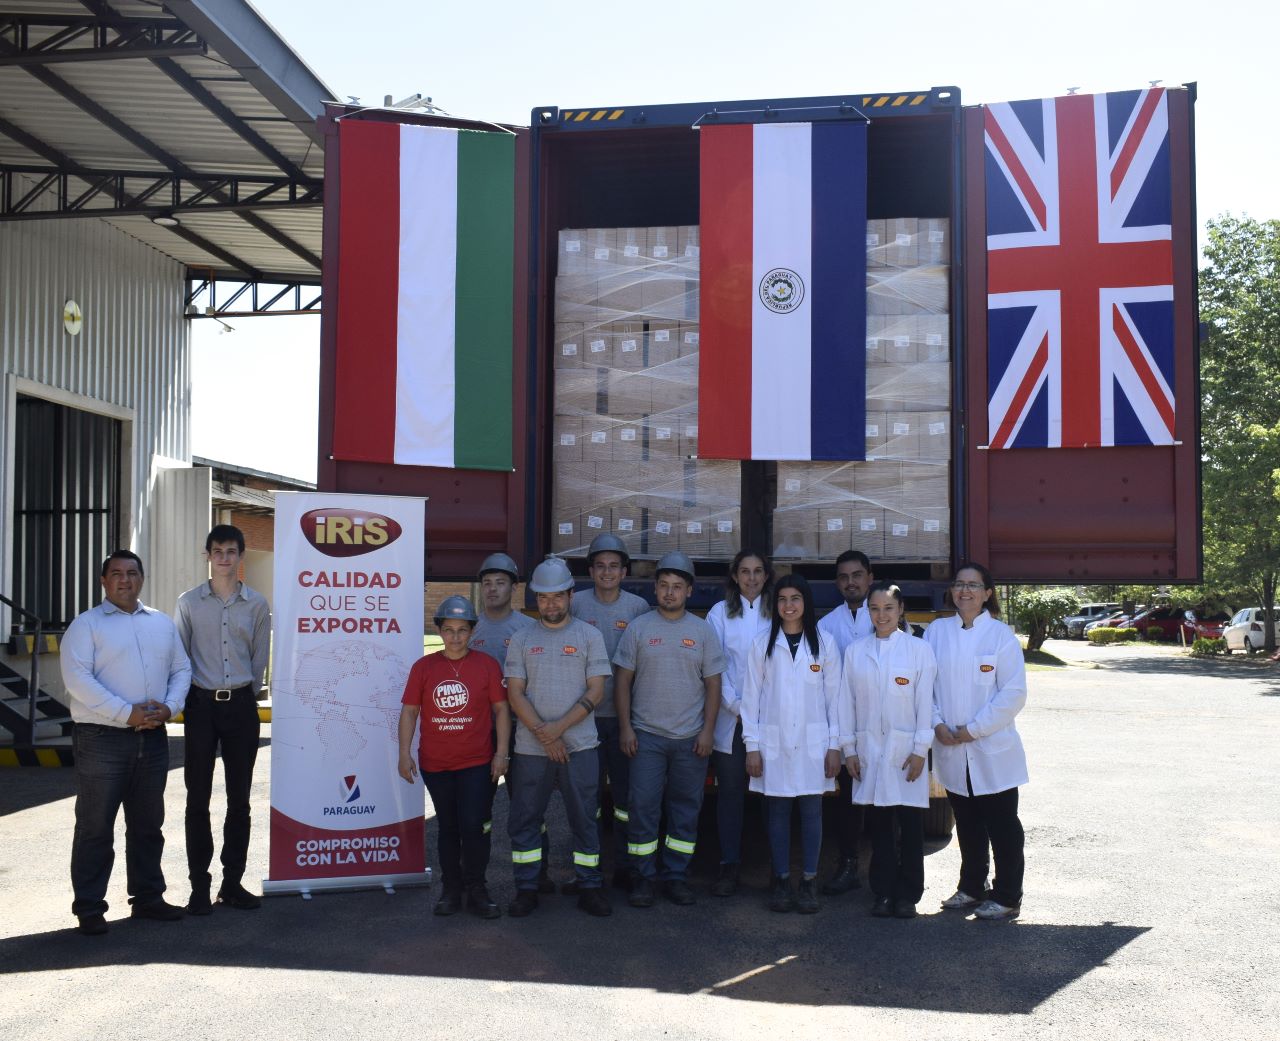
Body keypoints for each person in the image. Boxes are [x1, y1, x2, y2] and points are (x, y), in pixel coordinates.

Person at [60, 550, 192, 935]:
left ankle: (148, 898)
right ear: (104, 581)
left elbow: (181, 669)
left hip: (152, 739)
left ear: (141, 579)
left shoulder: (161, 624)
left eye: (132, 573)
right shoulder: (86, 625)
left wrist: (170, 707)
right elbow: (78, 680)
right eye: (116, 573)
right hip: (102, 740)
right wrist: (126, 713)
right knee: (95, 826)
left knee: (148, 824)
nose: (125, 580)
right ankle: (89, 907)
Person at [503, 557, 613, 918]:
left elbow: (596, 690)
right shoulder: (521, 639)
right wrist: (547, 737)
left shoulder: (589, 636)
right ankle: (528, 887)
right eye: (543, 597)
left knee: (585, 818)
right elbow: (515, 693)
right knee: (525, 819)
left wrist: (558, 729)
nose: (550, 604)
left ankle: (589, 886)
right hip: (531, 749)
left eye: (557, 596)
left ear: (570, 595)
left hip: (580, 747)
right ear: (536, 598)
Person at [614, 551, 725, 908]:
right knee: (643, 808)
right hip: (646, 737)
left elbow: (713, 685)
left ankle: (676, 876)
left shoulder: (703, 631)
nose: (670, 592)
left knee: (685, 810)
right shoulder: (639, 628)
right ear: (655, 588)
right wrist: (626, 728)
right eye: (664, 585)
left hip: (690, 740)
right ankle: (643, 878)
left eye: (677, 586)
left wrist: (707, 732)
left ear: (689, 591)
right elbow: (622, 682)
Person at [174, 524, 271, 915]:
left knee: (239, 800)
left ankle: (232, 883)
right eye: (218, 551)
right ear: (208, 556)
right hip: (201, 706)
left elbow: (260, 659)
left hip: (241, 707)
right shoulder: (188, 603)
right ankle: (199, 887)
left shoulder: (257, 604)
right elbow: (180, 658)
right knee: (197, 799)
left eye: (231, 551)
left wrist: (245, 693)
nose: (224, 558)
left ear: (241, 556)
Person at [924, 562, 1028, 921]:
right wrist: (936, 723)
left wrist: (974, 729)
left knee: (1003, 825)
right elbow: (925, 685)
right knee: (967, 823)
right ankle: (971, 886)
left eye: (973, 585)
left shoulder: (1001, 637)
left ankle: (1008, 895)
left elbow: (1013, 694)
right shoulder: (937, 632)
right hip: (950, 745)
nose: (964, 591)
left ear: (987, 594)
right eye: (959, 584)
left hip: (990, 748)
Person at [398, 595, 510, 919]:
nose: (456, 637)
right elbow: (409, 712)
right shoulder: (424, 667)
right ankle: (451, 889)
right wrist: (403, 753)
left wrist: (501, 754)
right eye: (449, 629)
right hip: (436, 764)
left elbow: (501, 710)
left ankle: (477, 888)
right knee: (448, 827)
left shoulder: (487, 665)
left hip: (477, 763)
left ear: (472, 631)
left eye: (462, 630)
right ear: (439, 630)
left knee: (474, 825)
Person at [741, 575, 842, 914]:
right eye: (782, 599)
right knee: (778, 813)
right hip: (774, 744)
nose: (788, 605)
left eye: (795, 598)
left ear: (806, 602)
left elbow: (835, 700)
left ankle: (809, 881)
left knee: (812, 813)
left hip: (814, 745)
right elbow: (750, 700)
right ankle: (782, 881)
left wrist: (834, 745)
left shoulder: (825, 644)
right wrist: (752, 746)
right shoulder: (761, 644)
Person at [843, 581, 937, 919]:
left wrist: (920, 750)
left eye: (888, 608)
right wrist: (849, 749)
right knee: (879, 826)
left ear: (901, 611)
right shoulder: (856, 651)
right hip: (870, 750)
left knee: (910, 827)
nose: (881, 615)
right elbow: (846, 703)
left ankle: (908, 895)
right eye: (875, 608)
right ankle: (882, 892)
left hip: (906, 752)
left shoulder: (918, 650)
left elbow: (926, 704)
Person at [569, 533, 650, 891]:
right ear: (590, 571)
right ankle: (588, 871)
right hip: (582, 719)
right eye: (600, 566)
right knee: (586, 799)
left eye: (614, 566)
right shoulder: (575, 604)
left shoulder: (637, 608)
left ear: (624, 571)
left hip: (622, 720)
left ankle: (625, 868)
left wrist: (630, 720)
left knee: (624, 799)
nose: (607, 572)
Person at [467, 552, 551, 892]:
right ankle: (475, 882)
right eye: (487, 583)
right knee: (477, 812)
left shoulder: (528, 630)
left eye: (500, 583)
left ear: (513, 588)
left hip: (522, 732)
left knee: (528, 808)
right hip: (480, 734)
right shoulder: (470, 629)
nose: (492, 589)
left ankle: (538, 877)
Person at [705, 549, 772, 897]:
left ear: (766, 575)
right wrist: (738, 706)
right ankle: (728, 866)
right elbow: (713, 664)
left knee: (772, 794)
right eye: (745, 571)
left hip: (772, 719)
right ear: (734, 576)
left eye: (758, 571)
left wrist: (763, 710)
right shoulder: (719, 613)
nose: (751, 578)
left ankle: (775, 869)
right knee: (730, 794)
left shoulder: (777, 610)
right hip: (731, 719)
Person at [816, 550, 875, 896]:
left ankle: (887, 870)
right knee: (847, 801)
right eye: (843, 577)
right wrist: (834, 738)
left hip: (883, 723)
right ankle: (849, 864)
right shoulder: (827, 625)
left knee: (887, 801)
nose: (850, 582)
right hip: (846, 726)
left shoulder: (884, 614)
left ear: (870, 577)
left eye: (857, 575)